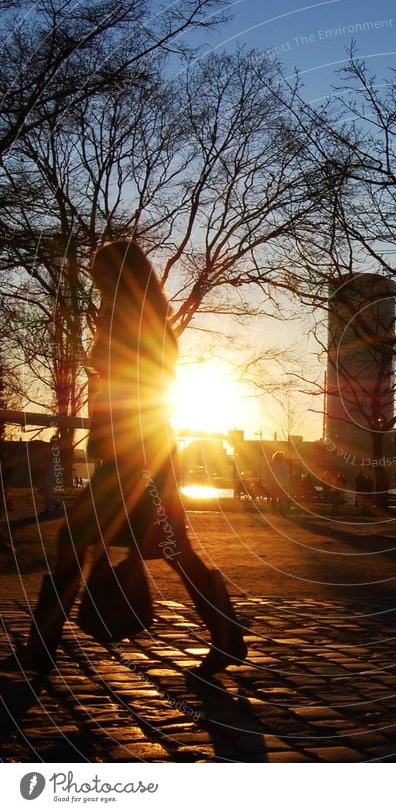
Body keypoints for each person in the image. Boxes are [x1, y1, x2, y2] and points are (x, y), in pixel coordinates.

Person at [0, 239, 247, 676]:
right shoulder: (144, 320)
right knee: (174, 551)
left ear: (117, 277)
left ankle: (43, 646)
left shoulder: (130, 322)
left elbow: (136, 394)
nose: (96, 284)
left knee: (76, 542)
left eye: (101, 275)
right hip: (145, 456)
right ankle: (225, 635)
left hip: (133, 459)